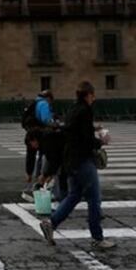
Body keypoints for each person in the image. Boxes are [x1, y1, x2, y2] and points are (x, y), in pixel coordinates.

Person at [39, 81, 114, 250]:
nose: (93, 99)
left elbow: (74, 131)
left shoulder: (73, 110)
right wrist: (101, 141)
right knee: (94, 198)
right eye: (93, 95)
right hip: (82, 160)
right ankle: (97, 238)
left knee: (74, 195)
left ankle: (51, 223)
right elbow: (86, 139)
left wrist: (92, 129)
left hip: (70, 161)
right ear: (88, 95)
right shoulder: (86, 110)